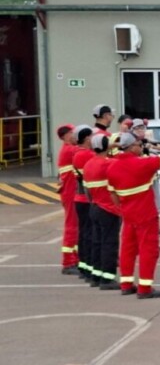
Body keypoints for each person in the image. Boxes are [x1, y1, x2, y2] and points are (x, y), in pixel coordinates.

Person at [107, 132, 160, 298]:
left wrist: (123, 208)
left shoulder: (111, 167)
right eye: (140, 145)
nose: (142, 148)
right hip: (145, 213)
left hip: (127, 214)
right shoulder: (143, 164)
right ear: (132, 147)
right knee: (149, 249)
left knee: (127, 249)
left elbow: (113, 196)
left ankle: (126, 284)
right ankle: (145, 288)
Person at [82, 134, 123, 290]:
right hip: (109, 209)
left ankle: (96, 276)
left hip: (94, 207)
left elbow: (87, 190)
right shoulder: (110, 164)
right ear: (107, 147)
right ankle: (107, 278)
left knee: (97, 243)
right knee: (109, 244)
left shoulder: (88, 164)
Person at [71, 126, 97, 284]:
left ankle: (83, 266)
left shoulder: (77, 153)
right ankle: (88, 266)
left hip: (80, 199)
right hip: (86, 200)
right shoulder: (86, 155)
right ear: (87, 139)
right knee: (89, 235)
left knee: (84, 233)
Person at [130, 119, 160, 217]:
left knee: (153, 200)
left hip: (151, 176)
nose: (140, 130)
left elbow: (156, 146)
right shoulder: (132, 142)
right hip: (139, 178)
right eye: (137, 128)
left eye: (142, 127)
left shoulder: (145, 140)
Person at [55, 124, 80, 275]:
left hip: (72, 191)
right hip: (70, 192)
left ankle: (75, 258)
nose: (74, 135)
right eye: (72, 133)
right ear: (65, 136)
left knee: (76, 225)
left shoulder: (70, 149)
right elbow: (87, 151)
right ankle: (68, 262)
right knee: (71, 225)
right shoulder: (70, 150)